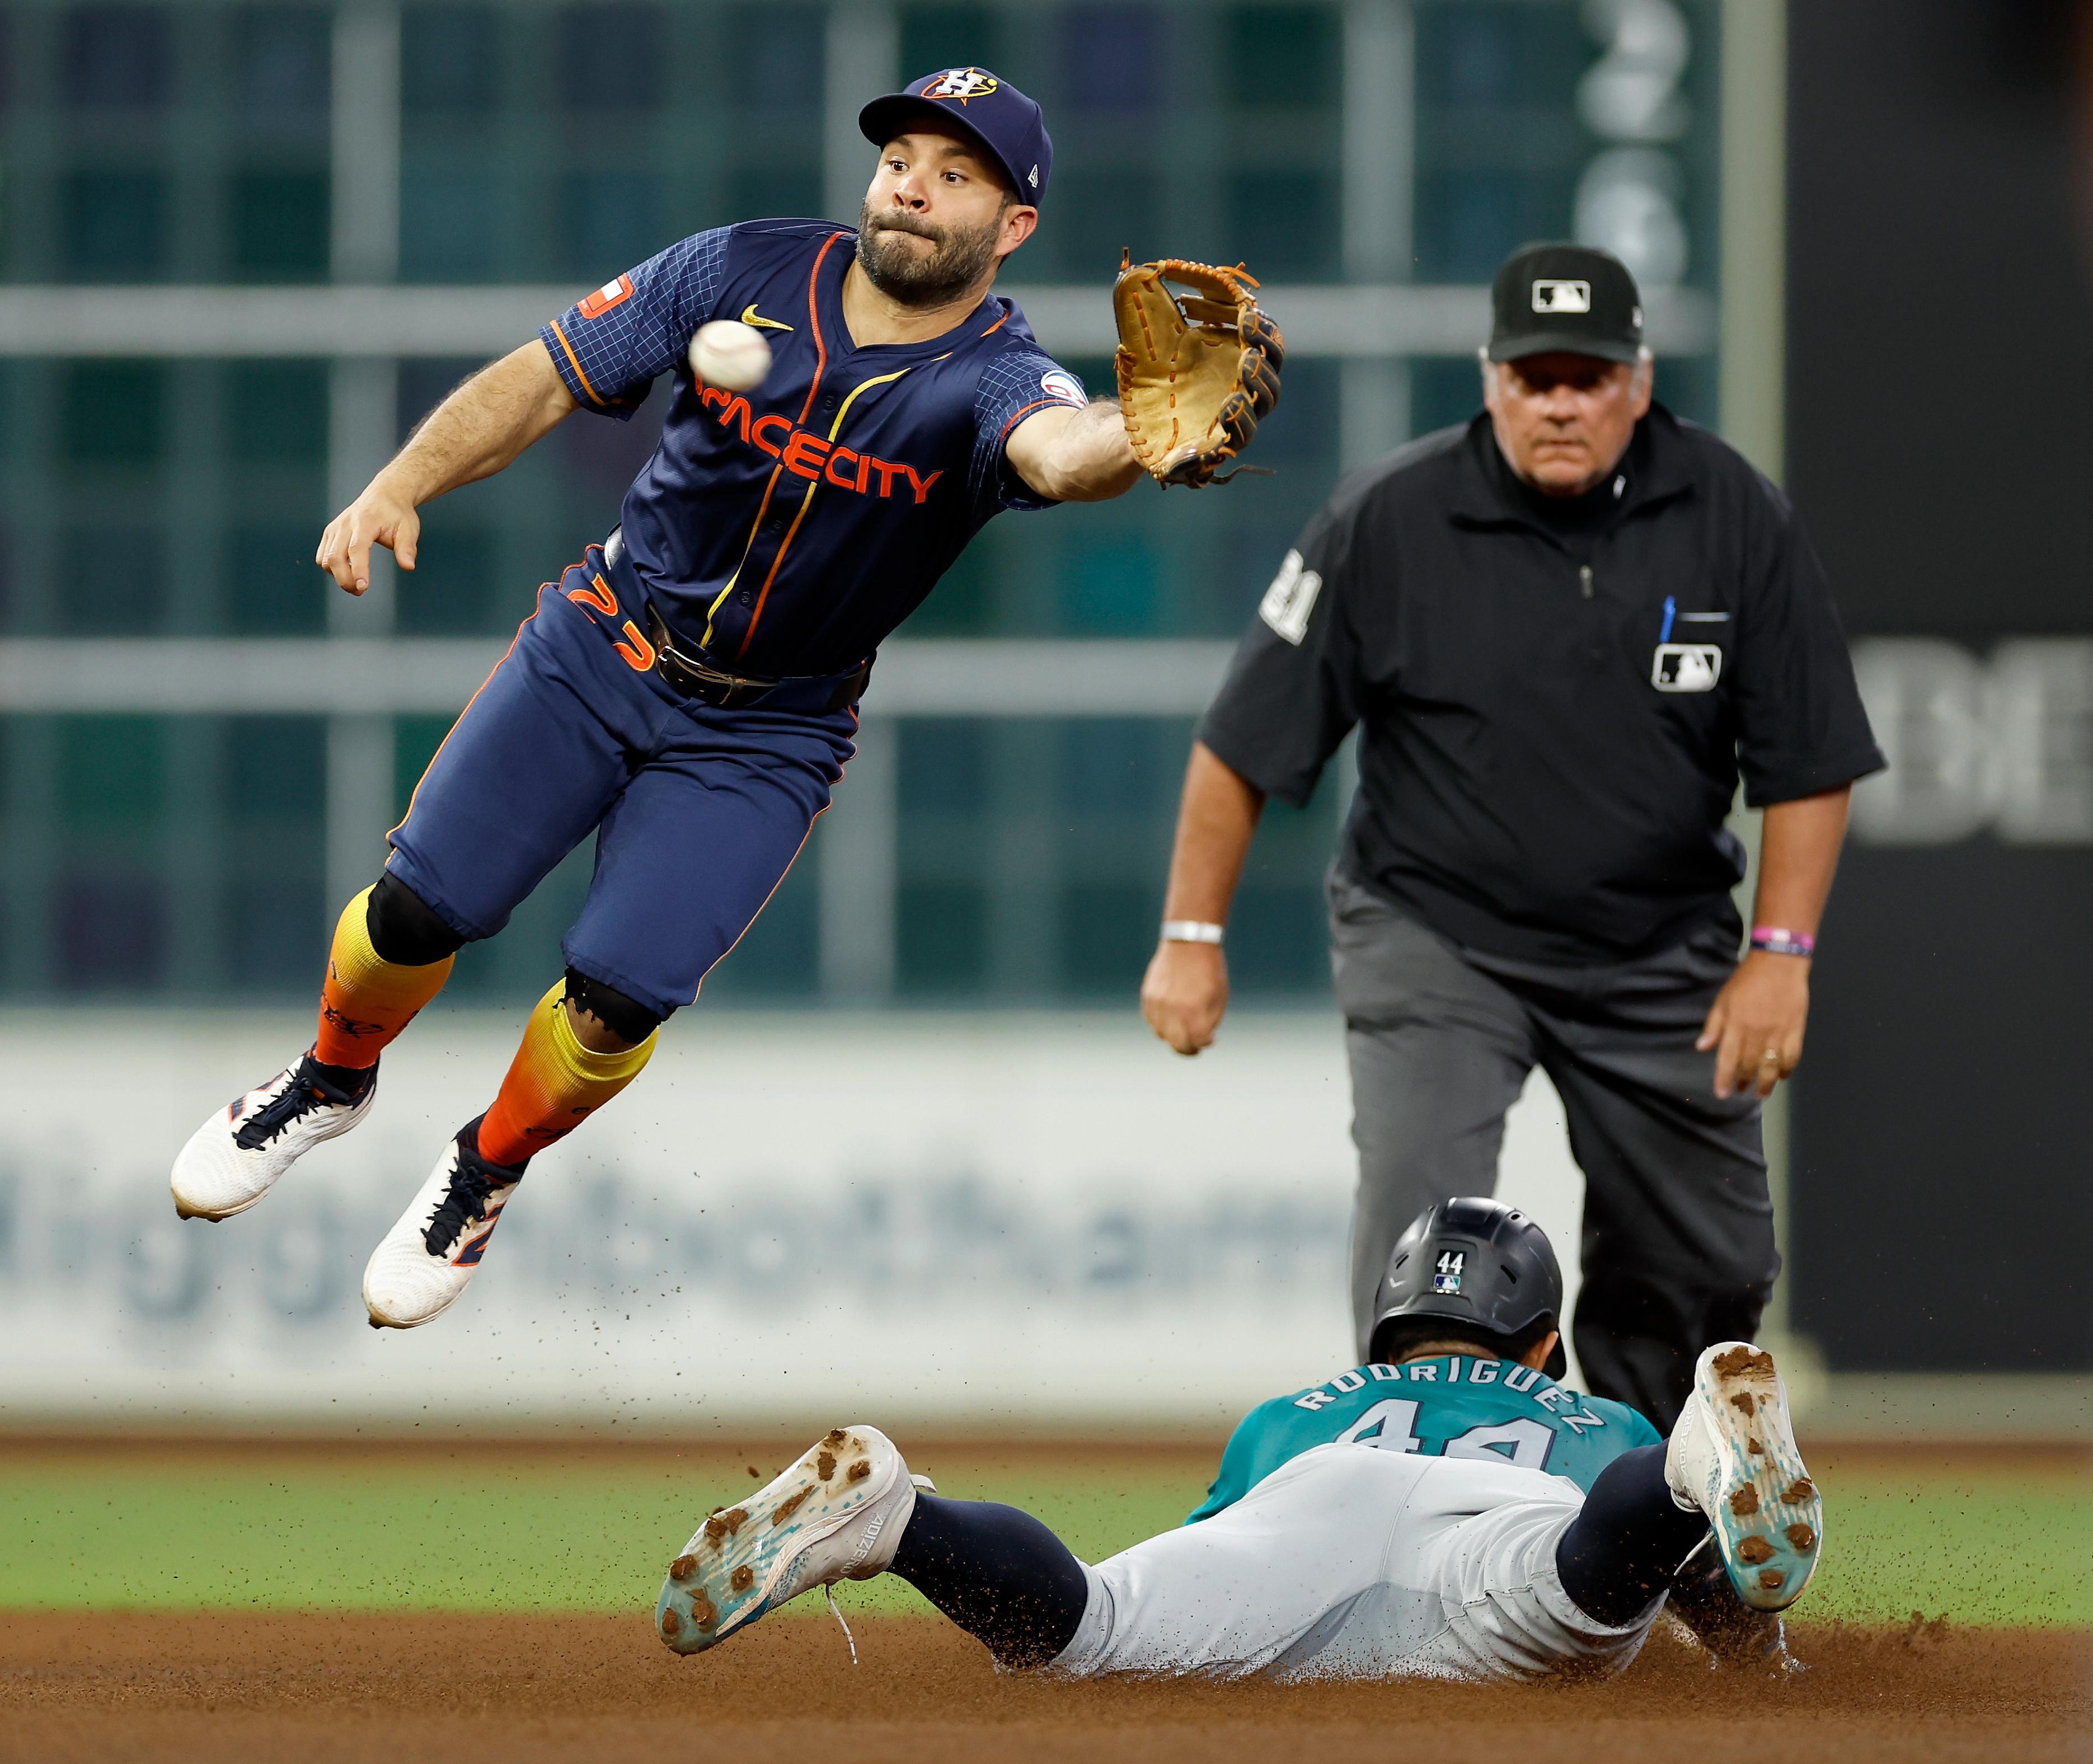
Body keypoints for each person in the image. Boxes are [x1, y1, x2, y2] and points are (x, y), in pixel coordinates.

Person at [165, 68, 1279, 1330]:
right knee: (421, 907)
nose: (911, 183)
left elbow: (1059, 454)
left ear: (1013, 225)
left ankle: (485, 1167)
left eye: (955, 173)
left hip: (767, 729)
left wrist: (1144, 434)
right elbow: (546, 374)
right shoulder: (741, 270)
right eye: (900, 156)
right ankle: (327, 1078)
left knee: (618, 996)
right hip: (603, 644)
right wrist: (399, 485)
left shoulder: (996, 376)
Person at [1139, 242, 1886, 1429]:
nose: (1560, 401)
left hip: (1661, 950)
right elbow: (1243, 741)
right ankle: (1406, 1507)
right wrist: (1191, 932)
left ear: (1638, 381)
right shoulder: (1389, 515)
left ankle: (1655, 1528)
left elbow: (1812, 758)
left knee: (1707, 1273)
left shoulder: (1733, 512)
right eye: (1534, 376)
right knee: (1424, 1250)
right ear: (1492, 380)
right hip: (1440, 932)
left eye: (1586, 376)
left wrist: (1782, 954)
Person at [653, 1198, 1818, 1682]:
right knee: (1589, 1591)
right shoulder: (1590, 1415)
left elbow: (1224, 1544)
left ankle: (901, 1519)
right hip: (1504, 1536)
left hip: (1308, 1504)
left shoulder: (1297, 1408)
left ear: (1389, 1325)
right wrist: (1761, 1664)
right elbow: (1718, 1606)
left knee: (1095, 1624)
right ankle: (1686, 1461)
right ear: (1541, 1345)